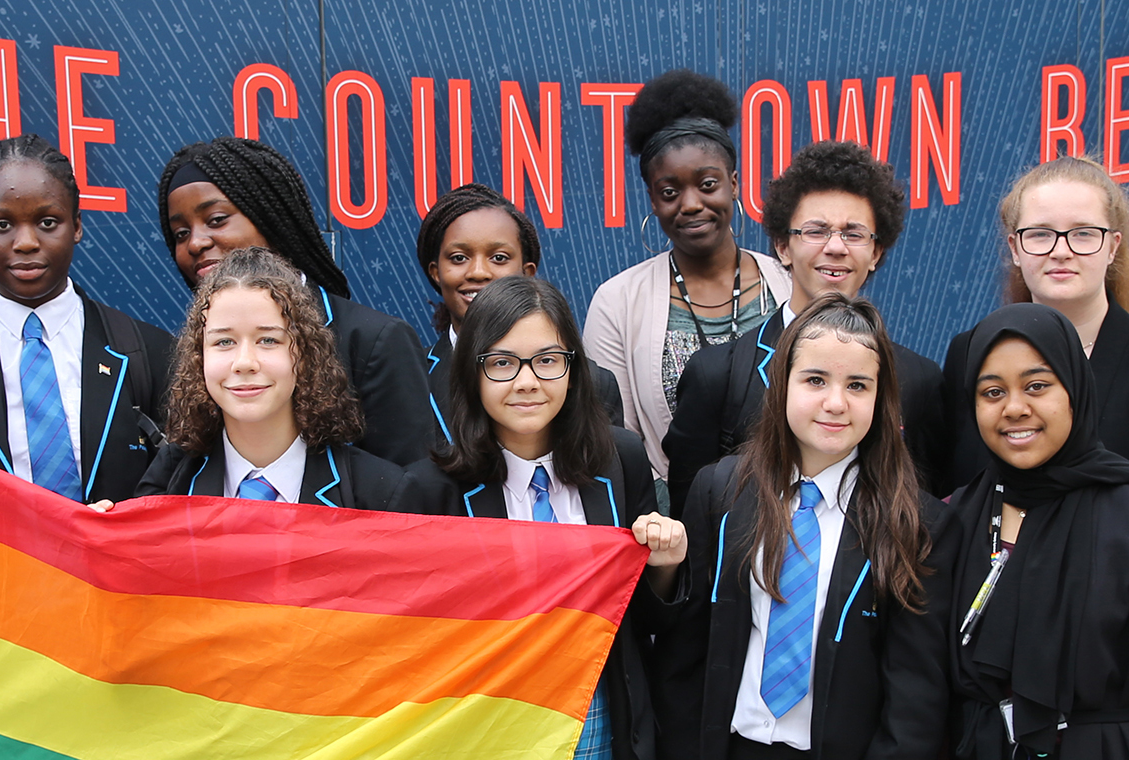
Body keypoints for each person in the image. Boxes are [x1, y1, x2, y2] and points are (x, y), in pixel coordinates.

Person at [643, 293, 945, 760]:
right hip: (732, 745)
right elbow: (686, 651)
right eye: (815, 380)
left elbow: (915, 692)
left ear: (882, 398)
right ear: (781, 385)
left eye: (859, 385)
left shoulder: (914, 521)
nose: (835, 402)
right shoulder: (721, 491)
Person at [403, 275, 677, 760]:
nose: (527, 381)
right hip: (485, 729)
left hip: (599, 715)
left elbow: (642, 618)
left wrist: (666, 566)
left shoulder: (621, 459)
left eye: (548, 361)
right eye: (503, 363)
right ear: (472, 372)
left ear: (574, 369)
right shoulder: (431, 490)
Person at [937, 303, 1129, 760]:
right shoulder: (953, 519)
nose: (1014, 408)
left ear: (1075, 389)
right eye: (992, 392)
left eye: (1036, 386)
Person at [664, 141, 949, 514]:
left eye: (854, 233)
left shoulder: (918, 380)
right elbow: (693, 521)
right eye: (815, 231)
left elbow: (923, 511)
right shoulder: (716, 374)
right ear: (783, 247)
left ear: (876, 253)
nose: (835, 247)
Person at [0, 134, 174, 504]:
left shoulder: (148, 352)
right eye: (2, 225)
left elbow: (178, 485)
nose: (25, 242)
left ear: (77, 226)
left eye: (48, 222)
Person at [942, 157, 1129, 528]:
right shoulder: (969, 354)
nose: (1060, 250)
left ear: (1112, 247)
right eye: (1040, 233)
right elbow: (953, 498)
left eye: (1083, 233)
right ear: (1014, 247)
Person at [157, 136, 432, 465]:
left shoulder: (376, 341)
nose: (196, 242)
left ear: (271, 216)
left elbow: (409, 492)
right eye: (181, 234)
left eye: (216, 220)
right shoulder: (198, 348)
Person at [585, 69, 790, 487]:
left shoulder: (788, 283)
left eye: (708, 184)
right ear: (653, 202)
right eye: (670, 191)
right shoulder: (617, 302)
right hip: (670, 525)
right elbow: (615, 439)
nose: (691, 204)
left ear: (734, 184)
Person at [133, 248, 408, 511]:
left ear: (305, 352)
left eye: (268, 340)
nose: (244, 363)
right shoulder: (169, 480)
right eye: (224, 341)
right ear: (198, 355)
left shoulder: (380, 491)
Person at [413, 182, 623, 439]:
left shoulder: (592, 383)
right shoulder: (410, 382)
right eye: (459, 258)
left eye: (499, 258)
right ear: (435, 272)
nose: (478, 272)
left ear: (527, 272)